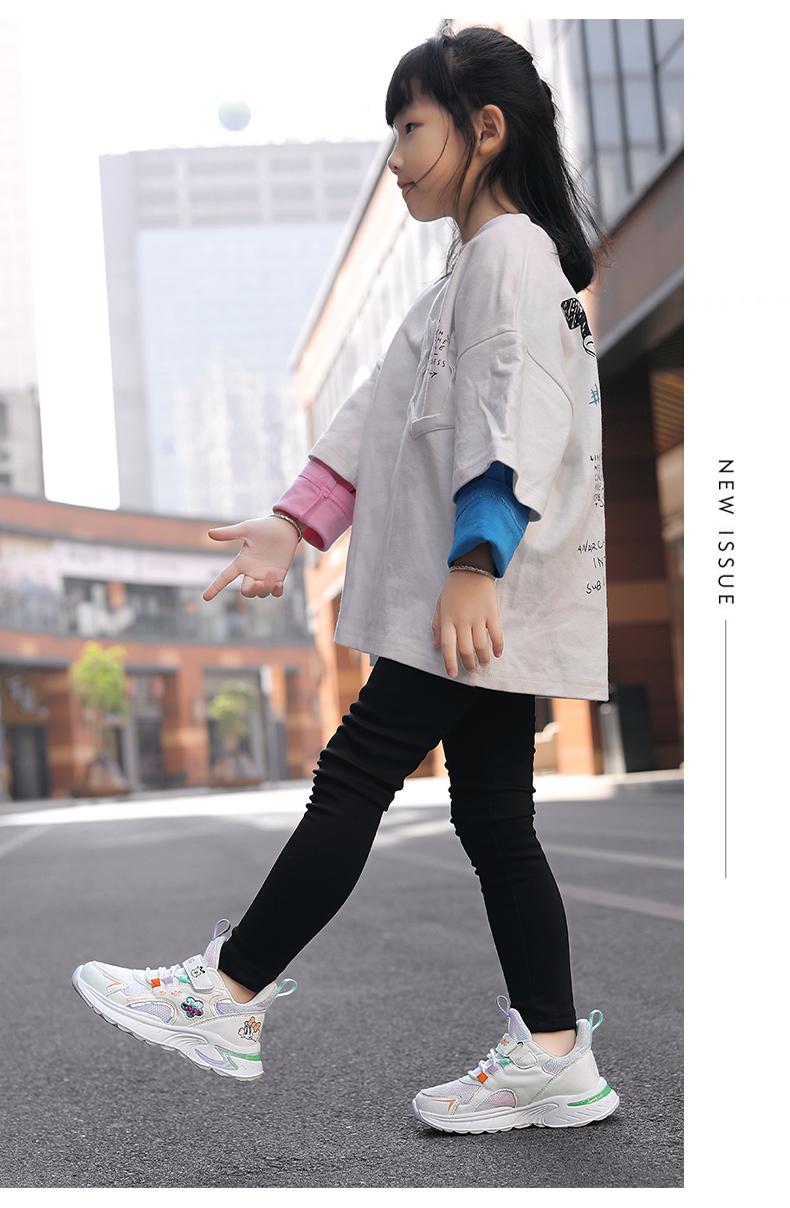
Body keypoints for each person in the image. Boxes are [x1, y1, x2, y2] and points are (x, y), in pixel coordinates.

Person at [72, 25, 619, 1134]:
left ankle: (227, 993)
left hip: (475, 591)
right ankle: (555, 1057)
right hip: (489, 596)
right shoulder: (477, 265)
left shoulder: (508, 255)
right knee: (494, 818)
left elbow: (515, 414)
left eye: (410, 129)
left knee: (358, 769)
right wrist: (292, 523)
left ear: (484, 129)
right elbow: (379, 408)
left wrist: (475, 559)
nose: (395, 156)